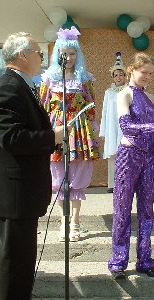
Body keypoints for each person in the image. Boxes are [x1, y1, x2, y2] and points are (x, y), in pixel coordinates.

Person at [0, 32, 65, 300]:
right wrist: (53, 137)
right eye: (39, 53)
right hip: (13, 193)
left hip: (21, 193)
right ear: (23, 55)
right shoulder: (9, 87)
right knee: (15, 264)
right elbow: (11, 137)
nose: (42, 58)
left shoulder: (21, 84)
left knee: (22, 261)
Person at [108, 52, 154, 280]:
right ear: (132, 69)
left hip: (149, 156)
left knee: (147, 210)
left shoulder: (151, 97)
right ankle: (118, 262)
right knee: (122, 208)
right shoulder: (124, 94)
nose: (147, 77)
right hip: (129, 155)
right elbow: (127, 126)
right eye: (144, 72)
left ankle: (145, 259)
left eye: (151, 74)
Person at [39, 26, 100, 242]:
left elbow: (92, 108)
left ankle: (75, 221)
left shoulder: (85, 79)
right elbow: (42, 108)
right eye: (64, 53)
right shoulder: (48, 79)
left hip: (79, 133)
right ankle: (62, 221)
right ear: (57, 54)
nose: (69, 57)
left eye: (73, 53)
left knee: (77, 177)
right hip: (57, 131)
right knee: (59, 177)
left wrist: (91, 132)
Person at [99, 51, 127, 193]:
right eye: (116, 75)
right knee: (113, 155)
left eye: (121, 74)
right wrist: (103, 130)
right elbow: (104, 111)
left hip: (123, 126)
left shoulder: (128, 90)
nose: (118, 77)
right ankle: (112, 183)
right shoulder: (108, 92)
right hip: (112, 126)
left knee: (124, 153)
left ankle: (124, 182)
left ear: (125, 76)